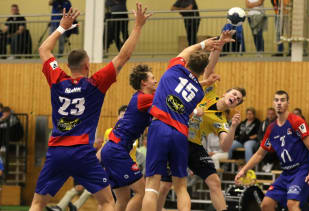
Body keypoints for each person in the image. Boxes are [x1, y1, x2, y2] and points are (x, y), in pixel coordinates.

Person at [29, 3, 150, 211]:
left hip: (57, 151)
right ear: (87, 66)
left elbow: (43, 49)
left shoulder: (57, 78)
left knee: (38, 203)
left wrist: (61, 28)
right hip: (82, 153)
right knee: (106, 202)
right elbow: (123, 56)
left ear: (68, 66)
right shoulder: (95, 83)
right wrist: (138, 26)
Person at [157, 31, 244, 211]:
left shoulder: (221, 120)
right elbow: (209, 66)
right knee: (165, 185)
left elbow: (226, 146)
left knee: (214, 181)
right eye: (234, 94)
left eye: (238, 99)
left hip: (194, 146)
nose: (235, 98)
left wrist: (234, 126)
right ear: (225, 92)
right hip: (178, 137)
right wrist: (219, 45)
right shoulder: (209, 89)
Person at [140, 29, 225, 211]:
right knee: (180, 187)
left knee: (151, 185)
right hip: (180, 135)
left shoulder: (175, 68)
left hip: (160, 127)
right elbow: (188, 84)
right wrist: (205, 82)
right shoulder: (199, 93)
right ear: (202, 70)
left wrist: (203, 45)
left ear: (187, 64)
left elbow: (185, 52)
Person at [235, 90, 309, 210]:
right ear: (273, 104)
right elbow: (259, 154)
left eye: (282, 100)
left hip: (301, 170)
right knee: (266, 204)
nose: (279, 103)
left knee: (292, 204)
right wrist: (244, 170)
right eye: (276, 100)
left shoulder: (296, 122)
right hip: (286, 173)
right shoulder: (271, 128)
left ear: (288, 103)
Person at [99, 64, 157, 211]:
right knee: (142, 192)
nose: (156, 81)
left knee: (123, 199)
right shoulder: (143, 98)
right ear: (144, 82)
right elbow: (168, 95)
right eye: (153, 78)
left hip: (112, 150)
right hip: (116, 151)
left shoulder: (142, 99)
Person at [258, 107, 278, 172]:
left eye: (272, 114)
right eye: (269, 114)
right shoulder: (263, 123)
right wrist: (261, 140)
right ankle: (265, 164)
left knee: (270, 148)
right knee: (259, 148)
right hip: (264, 141)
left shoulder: (278, 122)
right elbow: (260, 133)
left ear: (275, 115)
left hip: (274, 141)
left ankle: (270, 163)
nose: (270, 115)